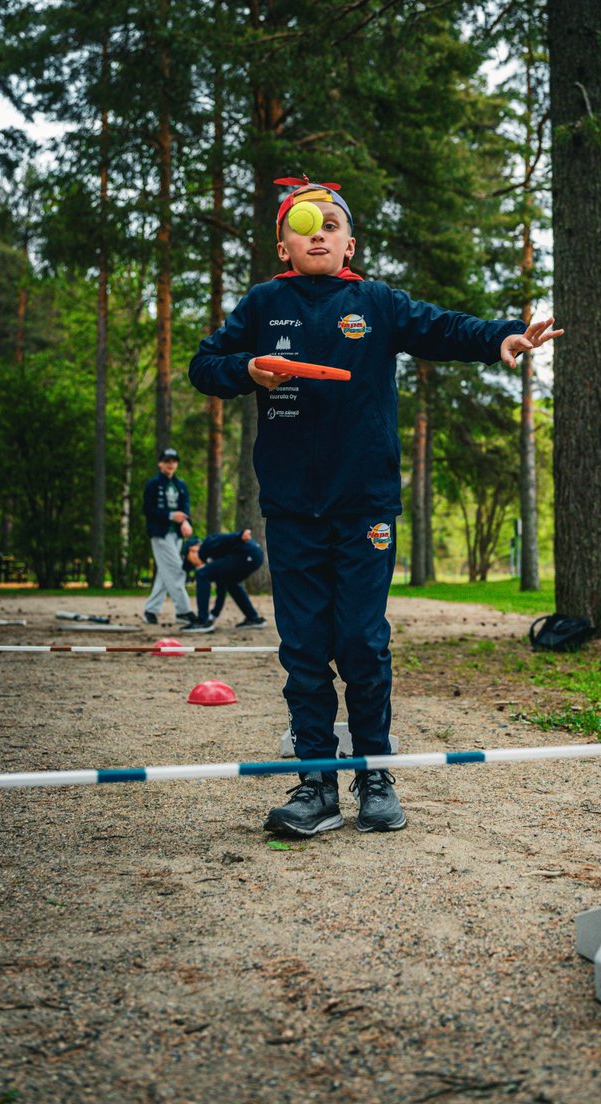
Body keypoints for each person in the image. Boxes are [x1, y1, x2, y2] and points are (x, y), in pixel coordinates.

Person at [188, 176, 561, 839]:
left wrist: (500, 337)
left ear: (349, 242)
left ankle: (376, 773)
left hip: (366, 509)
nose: (318, 230)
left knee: (361, 641)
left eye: (331, 222)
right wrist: (247, 369)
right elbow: (203, 365)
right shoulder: (263, 302)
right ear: (284, 243)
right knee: (303, 650)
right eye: (304, 222)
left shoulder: (377, 302)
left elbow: (441, 327)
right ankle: (315, 785)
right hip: (293, 510)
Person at [142, 448, 196, 625]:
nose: (170, 464)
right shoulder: (153, 485)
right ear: (160, 464)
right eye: (167, 461)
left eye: (173, 461)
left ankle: (150, 610)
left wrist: (185, 522)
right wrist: (170, 516)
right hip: (160, 533)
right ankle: (183, 611)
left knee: (165, 573)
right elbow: (148, 509)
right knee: (175, 570)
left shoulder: (181, 485)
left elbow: (185, 507)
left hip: (177, 535)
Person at [180, 528, 268, 633]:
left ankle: (202, 621)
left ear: (192, 549)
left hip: (247, 553)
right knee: (230, 583)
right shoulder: (215, 557)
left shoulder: (206, 545)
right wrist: (214, 614)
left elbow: (222, 539)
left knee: (201, 574)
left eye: (191, 561)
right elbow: (221, 586)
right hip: (255, 555)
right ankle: (253, 618)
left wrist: (239, 535)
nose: (194, 565)